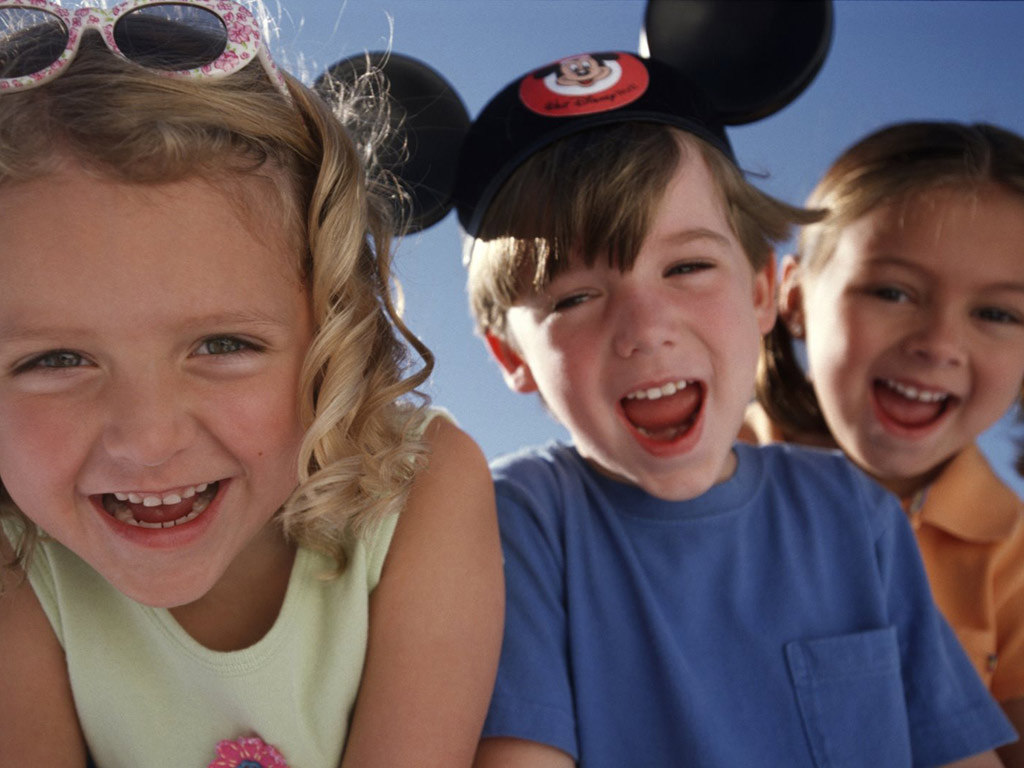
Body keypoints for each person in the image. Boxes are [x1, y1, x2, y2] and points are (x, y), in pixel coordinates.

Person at [454, 49, 1017, 768]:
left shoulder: (855, 514)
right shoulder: (515, 524)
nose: (646, 329)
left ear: (760, 293)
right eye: (574, 298)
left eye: (687, 267)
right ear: (510, 355)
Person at [0, 3, 502, 767]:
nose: (148, 439)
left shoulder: (423, 485)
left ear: (332, 331)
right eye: (56, 360)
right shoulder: (17, 563)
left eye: (222, 345)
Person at [744, 120, 1024, 767]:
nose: (938, 344)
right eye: (891, 292)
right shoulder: (687, 472)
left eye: (997, 313)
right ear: (792, 297)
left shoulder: (1012, 557)